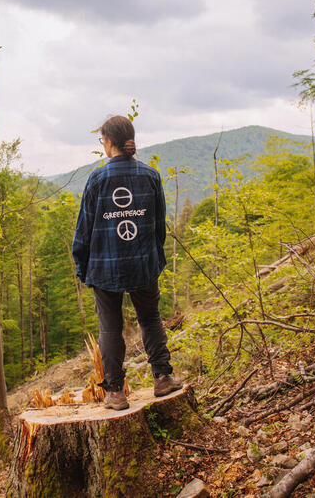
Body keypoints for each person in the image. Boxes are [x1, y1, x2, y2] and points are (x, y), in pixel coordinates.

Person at [72, 115, 183, 411]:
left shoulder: (97, 178)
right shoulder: (150, 175)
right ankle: (162, 378)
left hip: (105, 267)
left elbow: (84, 230)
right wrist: (155, 259)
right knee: (150, 318)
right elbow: (159, 226)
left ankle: (116, 394)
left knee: (110, 328)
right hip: (143, 264)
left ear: (109, 142)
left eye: (102, 140)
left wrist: (82, 266)